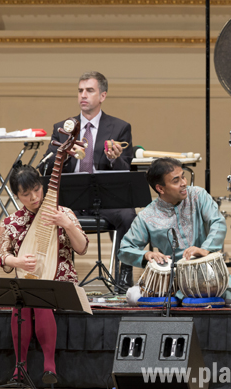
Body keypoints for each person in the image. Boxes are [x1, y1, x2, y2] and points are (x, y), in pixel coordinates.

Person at [41, 71, 136, 290]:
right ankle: (56, 275)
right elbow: (45, 168)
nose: (83, 95)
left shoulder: (120, 128)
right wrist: (63, 155)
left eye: (89, 90)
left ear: (102, 95)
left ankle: (124, 275)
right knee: (47, 213)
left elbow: (126, 169)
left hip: (106, 200)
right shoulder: (62, 128)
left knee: (128, 215)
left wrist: (115, 159)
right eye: (80, 90)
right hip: (71, 201)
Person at [0, 164, 89, 385]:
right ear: (17, 196)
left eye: (37, 190)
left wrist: (68, 225)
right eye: (26, 194)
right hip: (29, 282)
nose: (34, 197)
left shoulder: (64, 213)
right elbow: (3, 258)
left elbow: (82, 248)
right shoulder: (10, 223)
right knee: (23, 300)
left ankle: (49, 367)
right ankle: (21, 368)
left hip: (61, 283)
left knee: (38, 295)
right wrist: (17, 261)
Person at [118, 158, 231, 302]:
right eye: (176, 180)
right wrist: (147, 255)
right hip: (173, 279)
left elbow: (218, 222)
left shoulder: (198, 196)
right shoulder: (147, 216)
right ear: (160, 188)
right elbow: (124, 250)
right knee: (134, 297)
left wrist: (206, 249)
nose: (183, 183)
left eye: (183, 176)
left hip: (209, 272)